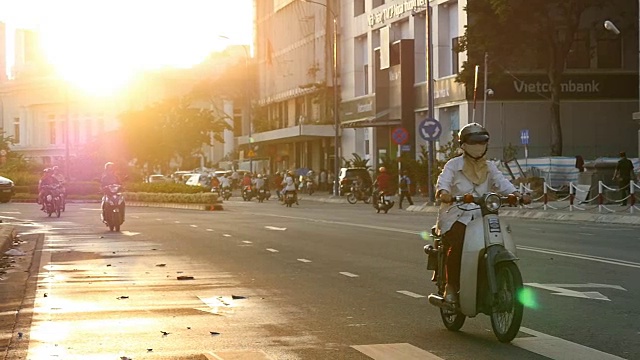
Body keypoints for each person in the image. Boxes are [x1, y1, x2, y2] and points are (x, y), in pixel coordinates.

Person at [436, 123, 530, 304]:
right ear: (463, 144)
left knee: (499, 239)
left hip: (484, 215)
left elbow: (503, 183)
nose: (478, 145)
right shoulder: (453, 165)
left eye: (483, 141)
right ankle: (451, 286)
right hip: (457, 214)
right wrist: (444, 193)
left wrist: (517, 194)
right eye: (474, 141)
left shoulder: (490, 166)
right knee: (457, 245)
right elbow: (443, 183)